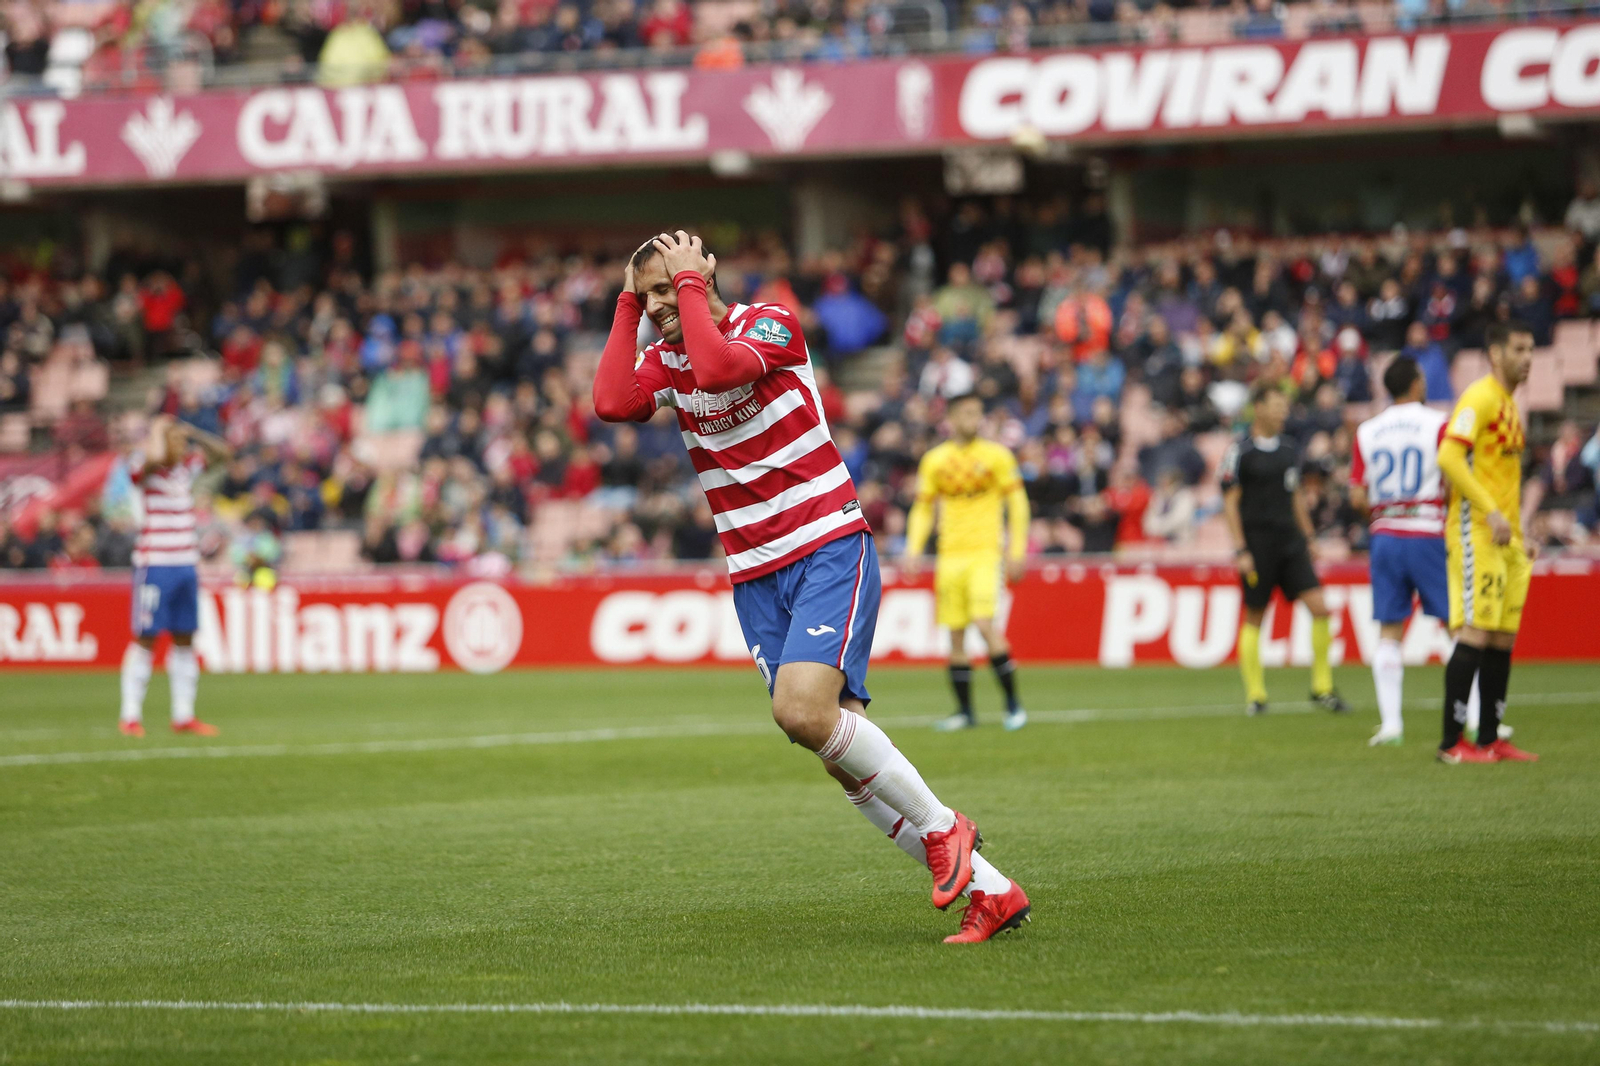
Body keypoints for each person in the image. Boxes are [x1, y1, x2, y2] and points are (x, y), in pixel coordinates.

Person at [593, 232, 1030, 943]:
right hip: (756, 574)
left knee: (800, 712)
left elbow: (720, 365)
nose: (659, 305)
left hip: (825, 543)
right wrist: (624, 305)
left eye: (667, 288)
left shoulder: (768, 323)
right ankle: (992, 890)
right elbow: (613, 402)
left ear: (702, 277)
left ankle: (948, 829)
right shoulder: (663, 359)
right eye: (648, 295)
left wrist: (693, 285)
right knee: (838, 750)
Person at [1434, 322, 1541, 764]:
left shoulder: (1511, 406)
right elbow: (1448, 457)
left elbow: (1505, 478)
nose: (1528, 357)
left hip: (1506, 537)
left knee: (1501, 637)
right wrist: (1491, 512)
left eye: (1531, 348)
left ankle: (1490, 738)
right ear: (1495, 353)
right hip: (1476, 529)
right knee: (1476, 632)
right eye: (1519, 348)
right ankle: (1450, 744)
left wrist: (1519, 530)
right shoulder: (1479, 397)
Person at [904, 392, 1030, 733]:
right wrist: (913, 547)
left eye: (979, 412)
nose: (976, 419)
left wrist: (1016, 550)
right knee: (955, 635)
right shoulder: (935, 460)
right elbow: (923, 507)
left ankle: (1013, 705)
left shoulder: (997, 456)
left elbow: (1017, 505)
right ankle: (965, 712)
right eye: (968, 413)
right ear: (953, 418)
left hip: (985, 553)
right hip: (950, 556)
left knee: (983, 622)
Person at [1220, 387, 1349, 717]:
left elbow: (1295, 497)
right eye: (1276, 406)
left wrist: (1309, 538)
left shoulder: (1290, 449)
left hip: (1290, 542)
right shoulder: (1240, 452)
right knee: (1255, 616)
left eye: (1284, 407)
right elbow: (1230, 503)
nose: (1282, 413)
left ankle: (1322, 687)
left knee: (1319, 607)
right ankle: (1256, 695)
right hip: (1257, 544)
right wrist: (1240, 548)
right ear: (1258, 408)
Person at [1349, 357, 1453, 746]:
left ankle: (1391, 724)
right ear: (1416, 384)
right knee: (1456, 626)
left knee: (1389, 631)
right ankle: (1475, 717)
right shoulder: (1438, 423)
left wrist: (1382, 509)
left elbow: (1357, 494)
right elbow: (1453, 478)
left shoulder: (1367, 431)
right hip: (1426, 531)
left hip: (1385, 536)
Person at [120, 415, 231, 738]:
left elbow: (223, 454)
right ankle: (130, 715)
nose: (184, 446)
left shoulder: (185, 469)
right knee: (146, 638)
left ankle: (183, 715)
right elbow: (153, 458)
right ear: (163, 440)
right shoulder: (146, 467)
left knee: (185, 638)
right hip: (155, 565)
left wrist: (195, 431)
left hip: (186, 564)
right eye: (178, 440)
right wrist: (158, 429)